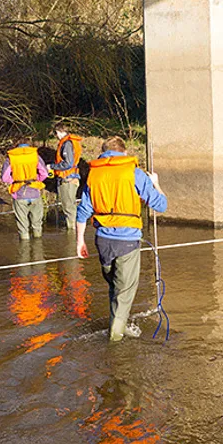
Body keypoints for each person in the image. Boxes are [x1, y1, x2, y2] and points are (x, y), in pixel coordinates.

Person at [75, 136, 167, 342]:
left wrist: (79, 240)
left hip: (103, 241)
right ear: (123, 153)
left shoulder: (94, 175)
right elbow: (160, 205)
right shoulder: (134, 173)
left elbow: (82, 211)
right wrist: (156, 184)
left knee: (115, 287)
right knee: (124, 292)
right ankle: (114, 340)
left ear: (104, 153)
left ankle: (120, 324)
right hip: (127, 241)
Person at [2, 139, 48, 240]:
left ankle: (24, 252)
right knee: (37, 225)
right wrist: (36, 180)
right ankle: (38, 251)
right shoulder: (35, 156)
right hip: (35, 192)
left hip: (19, 194)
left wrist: (15, 180)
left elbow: (5, 178)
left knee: (23, 227)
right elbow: (44, 173)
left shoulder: (11, 158)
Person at [47, 124, 83, 231]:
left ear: (60, 131)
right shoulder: (71, 142)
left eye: (56, 133)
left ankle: (72, 232)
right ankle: (75, 229)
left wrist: (51, 166)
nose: (56, 136)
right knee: (71, 206)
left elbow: (68, 163)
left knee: (68, 208)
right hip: (71, 178)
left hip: (67, 179)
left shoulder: (67, 144)